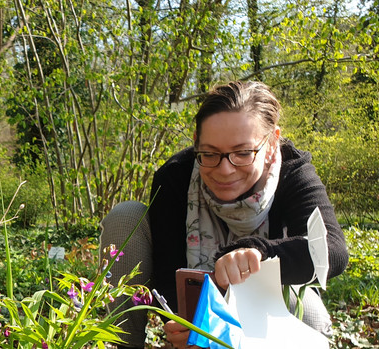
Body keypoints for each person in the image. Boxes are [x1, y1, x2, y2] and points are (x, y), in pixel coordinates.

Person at [99, 81, 349, 348]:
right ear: (196, 142)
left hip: (269, 299)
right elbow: (169, 270)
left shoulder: (294, 172)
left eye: (243, 153)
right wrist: (194, 326)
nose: (225, 169)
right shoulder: (174, 176)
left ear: (273, 143)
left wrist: (258, 253)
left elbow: (332, 250)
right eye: (209, 153)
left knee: (311, 316)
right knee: (126, 216)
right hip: (197, 307)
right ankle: (124, 343)